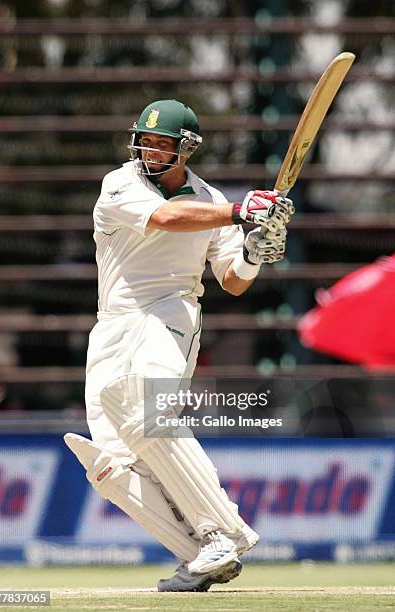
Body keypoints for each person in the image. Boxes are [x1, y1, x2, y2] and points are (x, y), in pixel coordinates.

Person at [64, 99, 294, 591]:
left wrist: (252, 253)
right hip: (112, 326)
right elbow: (168, 218)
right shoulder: (120, 183)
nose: (149, 149)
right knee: (111, 466)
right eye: (144, 140)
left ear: (185, 150)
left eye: (162, 143)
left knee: (149, 417)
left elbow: (231, 281)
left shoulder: (209, 201)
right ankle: (200, 557)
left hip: (169, 315)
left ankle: (221, 532)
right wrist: (239, 214)